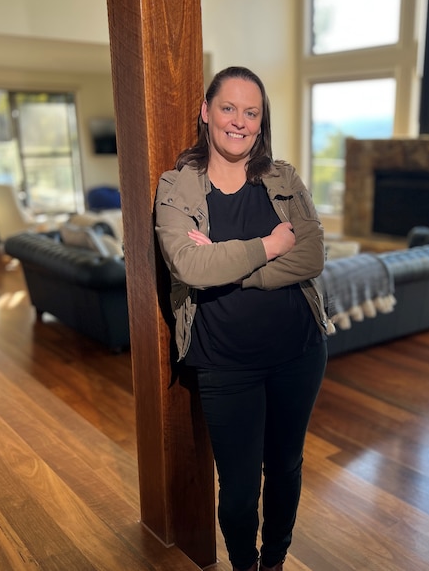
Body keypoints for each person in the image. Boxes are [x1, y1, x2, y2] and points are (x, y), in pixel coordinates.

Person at [154, 66, 329, 571]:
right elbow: (189, 265)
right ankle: (244, 566)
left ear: (260, 121)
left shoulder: (283, 178)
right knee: (237, 488)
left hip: (299, 351)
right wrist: (272, 245)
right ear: (206, 112)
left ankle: (273, 561)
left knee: (286, 467)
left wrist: (231, 268)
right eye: (228, 108)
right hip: (225, 364)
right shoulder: (178, 186)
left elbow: (313, 254)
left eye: (251, 112)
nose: (239, 121)